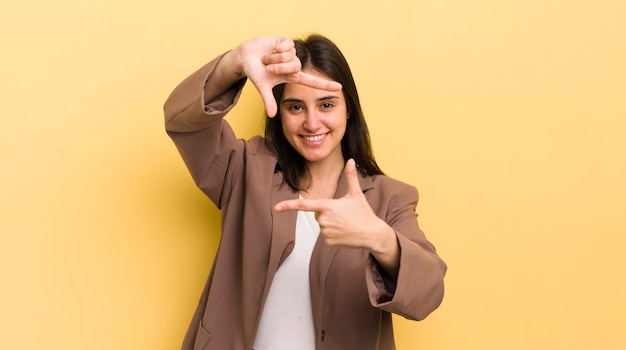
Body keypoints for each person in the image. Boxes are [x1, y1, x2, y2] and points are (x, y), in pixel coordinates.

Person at [164, 34, 446, 350]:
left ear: (348, 110)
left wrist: (379, 238)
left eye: (326, 105)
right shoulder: (246, 169)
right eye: (295, 106)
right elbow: (183, 122)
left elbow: (428, 294)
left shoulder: (389, 198)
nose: (312, 123)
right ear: (279, 112)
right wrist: (235, 62)